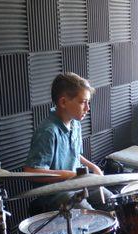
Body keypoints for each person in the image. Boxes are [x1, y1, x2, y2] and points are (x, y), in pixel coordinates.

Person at [24, 72, 112, 215]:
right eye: (83, 102)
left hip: (76, 184)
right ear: (63, 102)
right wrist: (71, 174)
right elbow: (31, 172)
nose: (87, 108)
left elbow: (74, 154)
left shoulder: (75, 123)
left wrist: (92, 166)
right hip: (56, 193)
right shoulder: (48, 131)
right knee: (91, 217)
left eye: (88, 102)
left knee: (110, 201)